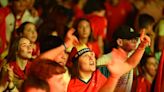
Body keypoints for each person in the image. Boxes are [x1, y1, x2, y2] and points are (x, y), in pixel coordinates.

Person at [67, 27, 150, 92]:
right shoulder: (71, 86)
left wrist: (141, 47)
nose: (91, 57)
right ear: (76, 63)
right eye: (85, 56)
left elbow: (130, 64)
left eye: (91, 54)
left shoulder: (102, 71)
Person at [96, 25, 149, 92]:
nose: (135, 41)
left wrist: (142, 44)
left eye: (135, 38)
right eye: (130, 39)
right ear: (120, 42)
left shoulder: (130, 56)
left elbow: (138, 47)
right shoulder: (105, 60)